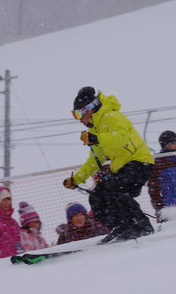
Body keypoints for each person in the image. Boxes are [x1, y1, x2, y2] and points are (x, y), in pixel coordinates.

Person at [63, 86, 155, 244]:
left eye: (78, 114)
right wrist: (77, 179)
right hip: (123, 168)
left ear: (89, 108)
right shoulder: (96, 128)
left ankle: (142, 226)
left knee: (116, 190)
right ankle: (121, 226)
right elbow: (96, 159)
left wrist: (95, 138)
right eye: (75, 115)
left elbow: (121, 139)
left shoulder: (112, 116)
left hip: (140, 162)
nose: (79, 119)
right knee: (97, 196)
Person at [148, 130, 176, 222]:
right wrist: (160, 209)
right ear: (167, 145)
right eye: (175, 142)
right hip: (168, 211)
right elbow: (153, 189)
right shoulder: (157, 163)